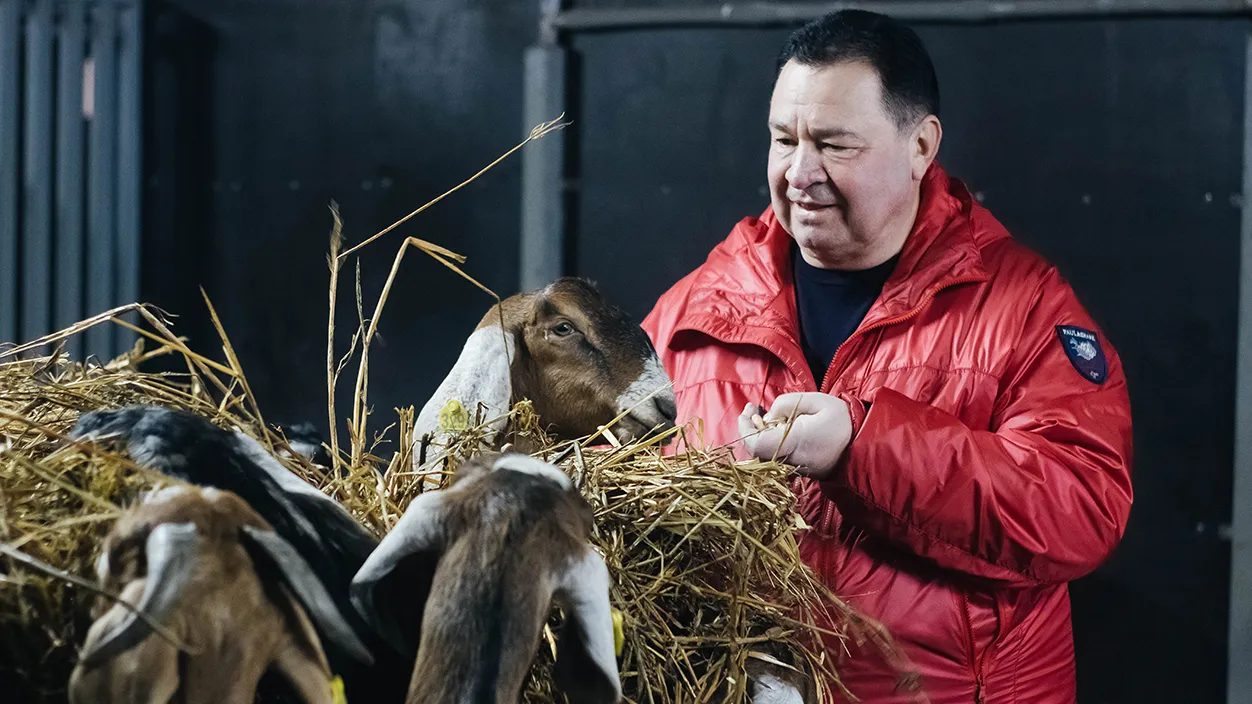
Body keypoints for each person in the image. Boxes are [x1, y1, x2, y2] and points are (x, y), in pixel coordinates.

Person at [641, 9, 1134, 704]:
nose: (799, 173)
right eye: (783, 140)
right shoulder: (694, 311)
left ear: (921, 146)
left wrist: (862, 448)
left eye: (835, 145)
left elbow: (1081, 508)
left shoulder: (1025, 309)